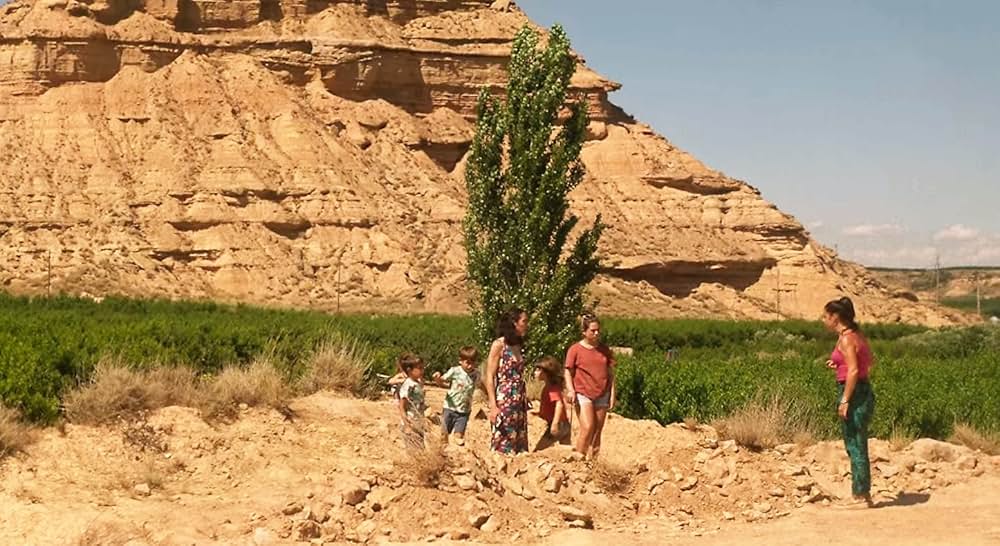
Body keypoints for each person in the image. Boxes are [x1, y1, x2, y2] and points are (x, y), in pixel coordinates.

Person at [823, 296, 875, 508]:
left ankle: (860, 496)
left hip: (853, 393)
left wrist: (845, 400)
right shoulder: (855, 335)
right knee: (857, 442)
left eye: (825, 316)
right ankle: (862, 493)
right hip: (862, 389)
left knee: (855, 444)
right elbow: (867, 361)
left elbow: (853, 370)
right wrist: (839, 365)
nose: (823, 320)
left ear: (835, 317)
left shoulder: (846, 339)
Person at [564, 313, 616, 459]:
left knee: (597, 430)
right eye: (593, 330)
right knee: (587, 427)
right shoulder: (575, 349)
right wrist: (571, 390)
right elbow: (568, 371)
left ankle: (593, 462)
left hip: (602, 393)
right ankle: (578, 458)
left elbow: (611, 373)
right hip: (583, 393)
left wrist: (612, 394)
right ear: (584, 332)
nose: (596, 333)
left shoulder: (605, 350)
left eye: (598, 330)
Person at [485, 308, 529, 454]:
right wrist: (493, 406)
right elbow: (489, 376)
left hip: (519, 398)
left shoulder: (518, 345)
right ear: (514, 323)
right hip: (505, 397)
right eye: (524, 321)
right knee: (503, 440)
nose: (526, 325)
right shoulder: (499, 345)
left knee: (518, 442)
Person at [431, 346, 481, 446]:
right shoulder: (455, 371)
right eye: (467, 363)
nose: (470, 366)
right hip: (450, 407)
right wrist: (437, 378)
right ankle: (442, 448)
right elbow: (442, 381)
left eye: (473, 363)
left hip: (464, 410)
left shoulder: (476, 374)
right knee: (444, 433)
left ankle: (457, 440)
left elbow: (480, 385)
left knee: (459, 436)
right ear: (460, 361)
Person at [532, 356, 570, 450]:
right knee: (566, 450)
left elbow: (559, 404)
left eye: (538, 370)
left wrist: (555, 423)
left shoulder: (551, 389)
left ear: (546, 373)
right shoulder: (550, 387)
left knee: (538, 450)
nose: (535, 372)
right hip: (564, 424)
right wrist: (540, 413)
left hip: (559, 424)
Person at [396, 353, 427, 450]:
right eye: (419, 368)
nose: (422, 371)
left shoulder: (418, 383)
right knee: (414, 450)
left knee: (420, 449)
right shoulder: (408, 385)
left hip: (418, 423)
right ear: (409, 370)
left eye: (423, 368)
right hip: (410, 423)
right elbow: (402, 406)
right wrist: (406, 425)